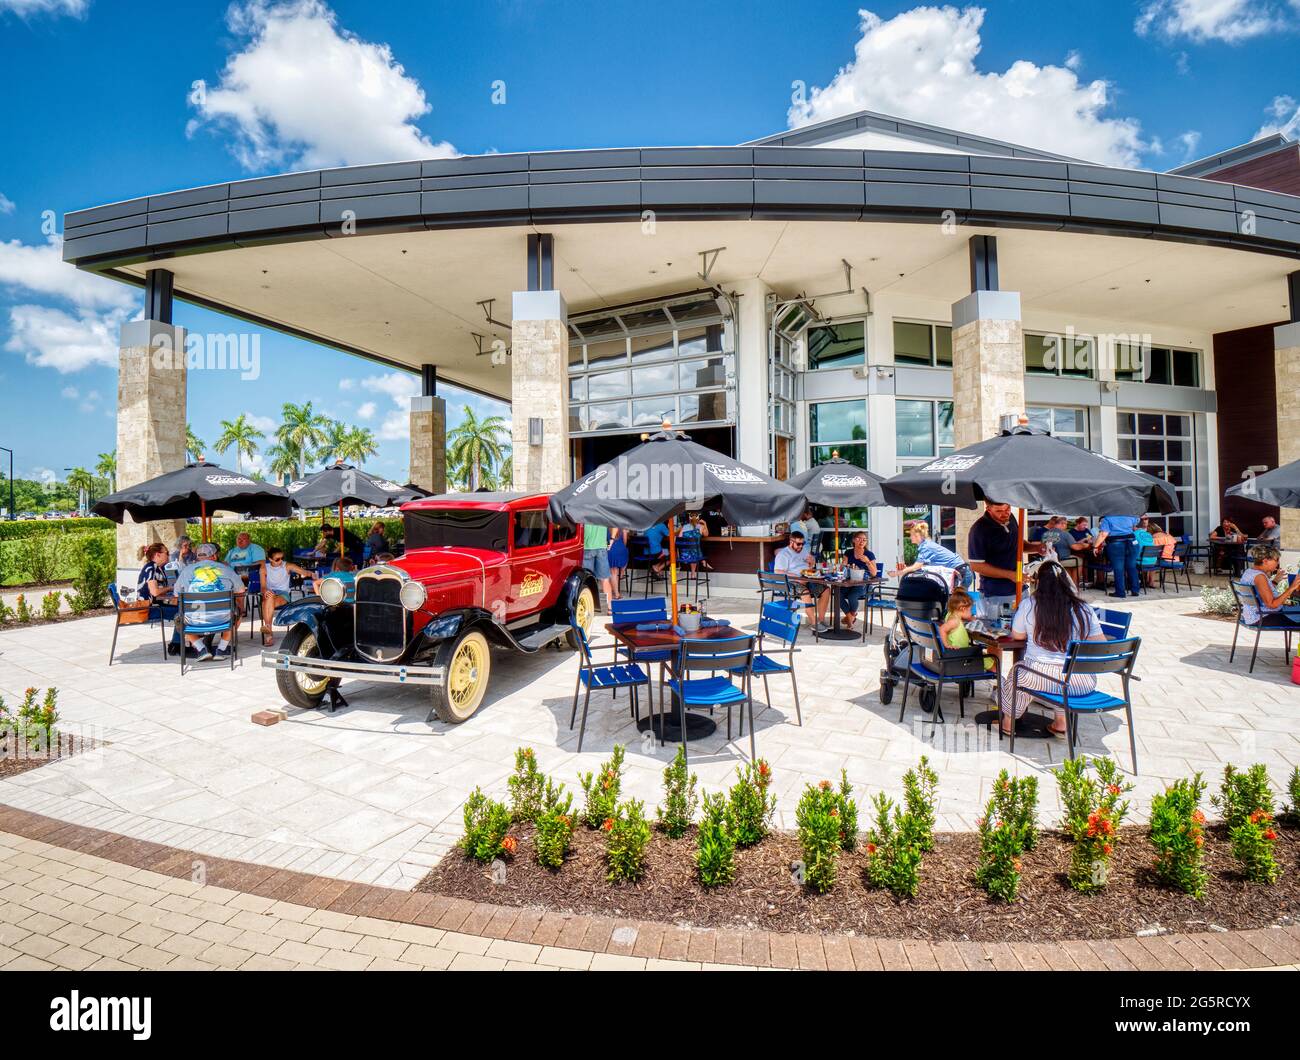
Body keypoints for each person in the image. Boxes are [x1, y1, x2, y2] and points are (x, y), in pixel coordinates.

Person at [1001, 560, 1107, 737]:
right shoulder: (1083, 608)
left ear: (1038, 582)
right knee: (1057, 680)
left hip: (1040, 676)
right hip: (1080, 681)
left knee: (1017, 673)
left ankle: (1008, 723)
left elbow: (1018, 636)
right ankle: (1061, 723)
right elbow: (1101, 645)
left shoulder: (1030, 604)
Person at [173, 543, 245, 662]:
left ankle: (201, 649)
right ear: (214, 556)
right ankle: (221, 650)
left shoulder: (186, 571)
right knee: (237, 614)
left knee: (180, 618)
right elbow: (241, 590)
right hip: (222, 619)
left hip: (195, 618)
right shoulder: (226, 569)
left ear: (197, 557)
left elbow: (176, 594)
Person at [967, 502, 1021, 618]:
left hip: (1019, 589)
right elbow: (976, 566)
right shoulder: (979, 530)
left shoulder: (1011, 517)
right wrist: (1010, 575)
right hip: (994, 594)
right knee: (1000, 632)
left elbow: (1017, 544)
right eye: (999, 511)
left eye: (1007, 509)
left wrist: (1036, 547)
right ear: (988, 509)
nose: (1005, 514)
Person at [773, 530, 829, 629]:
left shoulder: (803, 551)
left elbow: (810, 566)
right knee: (805, 593)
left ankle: (821, 620)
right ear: (791, 542)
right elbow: (778, 572)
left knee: (826, 589)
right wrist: (797, 577)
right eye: (798, 544)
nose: (801, 546)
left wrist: (812, 563)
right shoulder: (783, 554)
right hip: (791, 582)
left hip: (807, 579)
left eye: (802, 543)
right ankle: (814, 623)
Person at [259, 547, 314, 646]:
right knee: (269, 597)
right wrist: (265, 591)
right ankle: (268, 631)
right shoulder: (264, 568)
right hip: (270, 593)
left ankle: (268, 631)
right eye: (277, 559)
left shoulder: (287, 566)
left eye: (282, 558)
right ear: (270, 559)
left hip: (283, 594)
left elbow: (304, 572)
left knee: (266, 602)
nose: (281, 561)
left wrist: (310, 574)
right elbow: (263, 587)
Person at [1236, 545, 1300, 626]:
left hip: (1255, 615)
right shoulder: (1260, 577)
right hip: (1264, 617)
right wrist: (1292, 588)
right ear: (1265, 561)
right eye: (1276, 560)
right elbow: (1272, 605)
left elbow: (1262, 592)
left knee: (1295, 609)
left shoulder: (1249, 572)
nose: (1278, 563)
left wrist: (1275, 581)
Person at [894, 520, 969, 587]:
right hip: (961, 571)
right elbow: (922, 566)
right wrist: (906, 568)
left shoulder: (926, 547)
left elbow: (916, 567)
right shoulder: (926, 544)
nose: (910, 537)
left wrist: (896, 573)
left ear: (917, 536)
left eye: (911, 535)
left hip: (961, 573)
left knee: (956, 602)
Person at [940, 588, 995, 672]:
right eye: (970, 609)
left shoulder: (951, 614)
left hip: (960, 653)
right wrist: (946, 645)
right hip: (962, 655)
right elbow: (942, 629)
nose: (971, 612)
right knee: (992, 662)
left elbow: (965, 616)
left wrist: (970, 618)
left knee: (986, 656)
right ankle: (1001, 680)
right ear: (962, 609)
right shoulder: (955, 621)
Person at [1092, 513, 1142, 598]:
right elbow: (1136, 524)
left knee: (1118, 568)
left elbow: (1104, 534)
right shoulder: (1130, 515)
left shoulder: (1107, 518)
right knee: (1132, 566)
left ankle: (1120, 592)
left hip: (1116, 543)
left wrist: (1095, 546)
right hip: (1132, 542)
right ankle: (1135, 590)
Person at [838, 530, 878, 630]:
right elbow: (842, 569)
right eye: (859, 539)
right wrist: (843, 565)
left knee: (852, 596)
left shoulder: (869, 554)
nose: (862, 541)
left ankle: (849, 619)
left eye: (864, 540)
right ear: (853, 540)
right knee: (838, 595)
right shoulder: (848, 552)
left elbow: (874, 573)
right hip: (849, 582)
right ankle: (851, 617)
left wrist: (867, 562)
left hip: (862, 583)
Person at [582, 522, 612, 606]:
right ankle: (610, 607)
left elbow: (584, 529)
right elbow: (614, 524)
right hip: (602, 547)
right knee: (605, 579)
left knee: (587, 580)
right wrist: (612, 539)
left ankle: (589, 606)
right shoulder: (602, 509)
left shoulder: (584, 510)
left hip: (587, 547)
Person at [606, 528, 629, 601]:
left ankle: (616, 594)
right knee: (626, 553)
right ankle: (621, 572)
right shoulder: (623, 527)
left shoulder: (606, 527)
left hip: (610, 549)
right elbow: (625, 541)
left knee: (613, 572)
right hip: (621, 549)